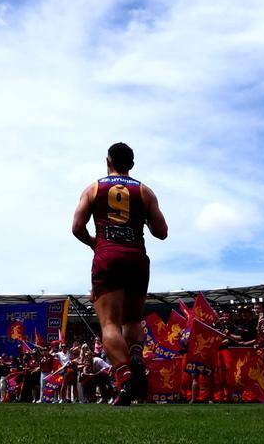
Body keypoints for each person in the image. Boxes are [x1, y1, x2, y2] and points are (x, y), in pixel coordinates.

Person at [71, 142, 168, 405]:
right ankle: (136, 359)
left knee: (110, 324)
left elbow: (77, 227)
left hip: (108, 256)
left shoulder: (93, 188)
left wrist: (95, 243)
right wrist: (142, 217)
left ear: (108, 161)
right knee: (133, 321)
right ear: (132, 165)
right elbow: (161, 232)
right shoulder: (145, 192)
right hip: (137, 257)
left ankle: (126, 378)